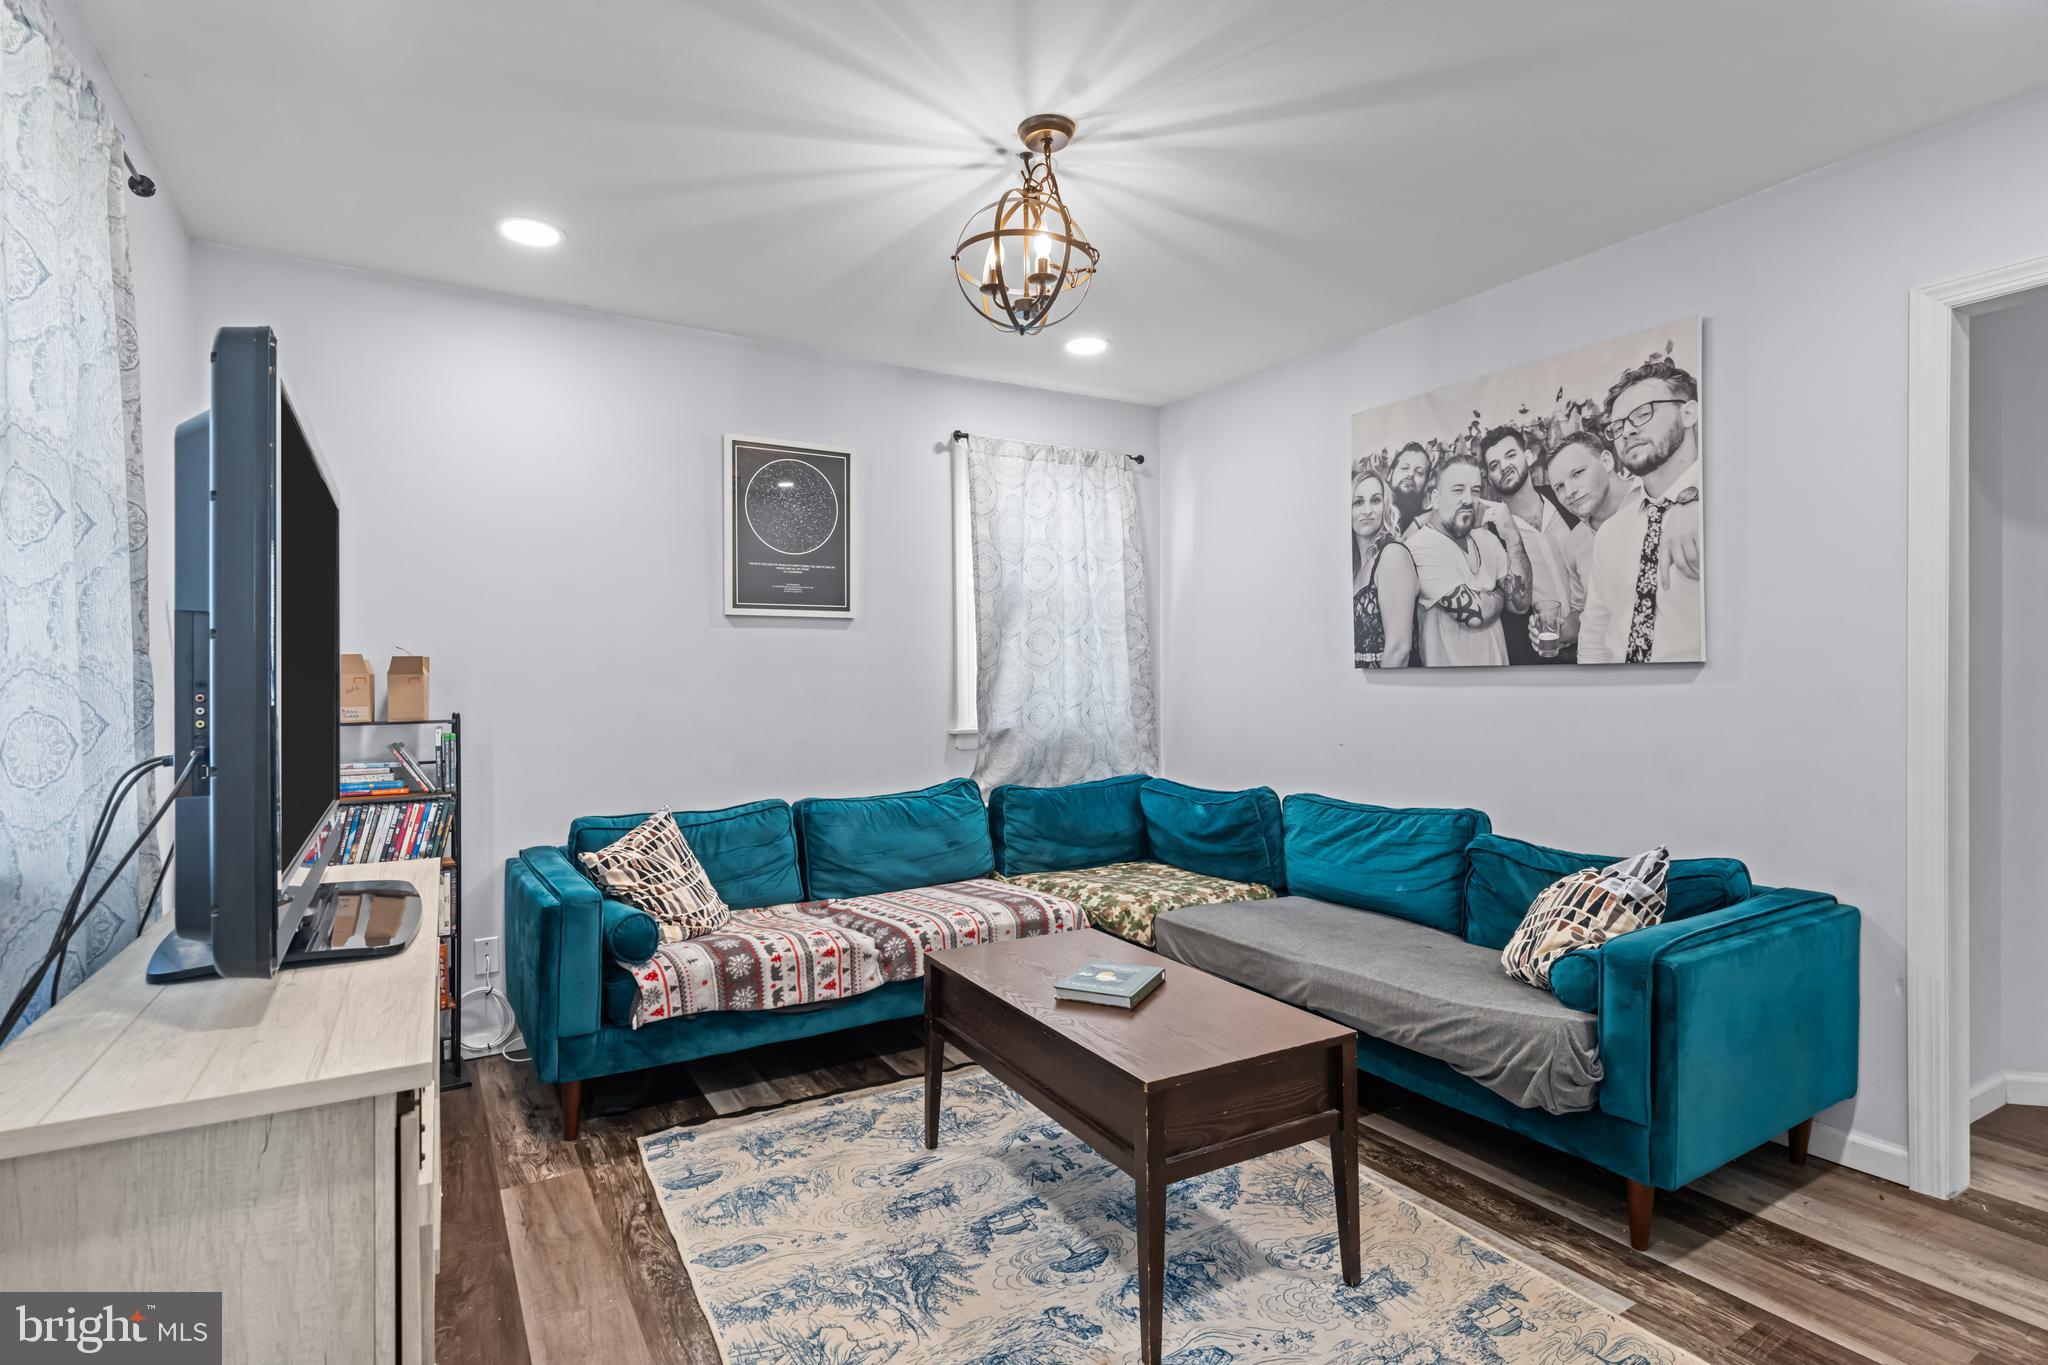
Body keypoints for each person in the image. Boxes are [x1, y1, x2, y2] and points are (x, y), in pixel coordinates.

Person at [1578, 356, 1704, 664]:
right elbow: (1595, 631)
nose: (1627, 432)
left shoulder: (1720, 503)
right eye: (1617, 426)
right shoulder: (1611, 533)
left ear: (1688, 413)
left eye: (1643, 414)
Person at [1405, 452, 1532, 667]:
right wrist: (1501, 592)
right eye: (1457, 490)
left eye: (1475, 491)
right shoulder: (1419, 546)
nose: (1468, 500)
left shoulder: (1487, 538)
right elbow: (1476, 615)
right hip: (1451, 690)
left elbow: (1520, 604)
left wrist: (1512, 537)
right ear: (1435, 499)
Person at [1477, 425, 1582, 664]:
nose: (1503, 467)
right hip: (1537, 658)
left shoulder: (1567, 499)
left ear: (1528, 456)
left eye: (1510, 455)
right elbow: (1515, 604)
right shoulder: (1489, 533)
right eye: (1494, 465)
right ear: (1489, 479)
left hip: (1597, 640)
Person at [1351, 468, 1417, 668]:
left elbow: (1399, 649)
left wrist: (1379, 698)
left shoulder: (1392, 556)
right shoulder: (1354, 568)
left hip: (1387, 689)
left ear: (1386, 506)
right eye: (1358, 502)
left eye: (1376, 500)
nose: (1367, 510)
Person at [1387, 441, 1431, 538]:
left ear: (1426, 484)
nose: (1410, 474)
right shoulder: (1371, 514)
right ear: (1390, 475)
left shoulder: (1430, 525)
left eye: (1419, 472)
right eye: (1404, 468)